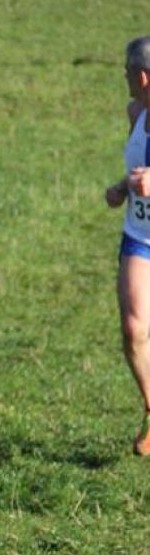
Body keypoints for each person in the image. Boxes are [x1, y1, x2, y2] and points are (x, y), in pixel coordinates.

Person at [105, 36, 150, 456]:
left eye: (126, 71)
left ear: (142, 76)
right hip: (140, 237)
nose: (124, 77)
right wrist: (123, 187)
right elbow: (139, 164)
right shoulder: (135, 112)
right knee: (134, 329)